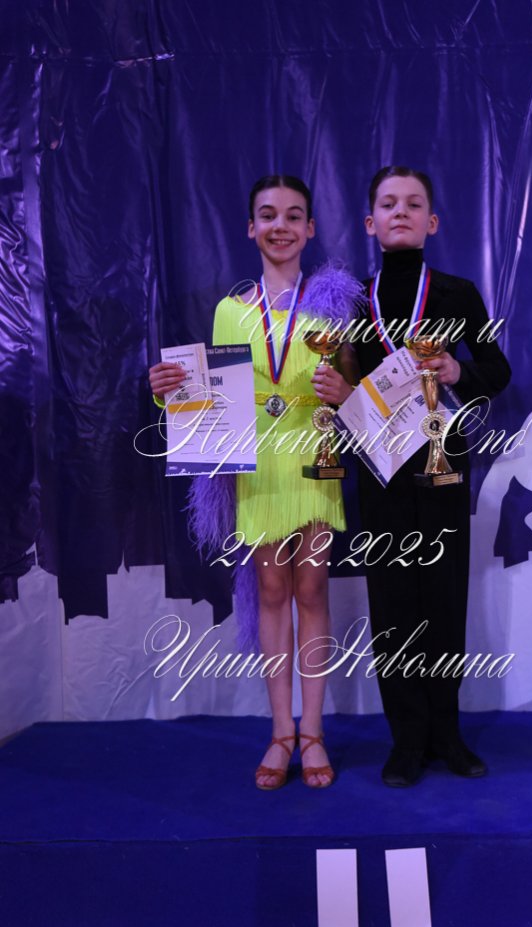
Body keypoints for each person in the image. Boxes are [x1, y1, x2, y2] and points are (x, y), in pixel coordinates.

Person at [314, 165, 511, 786]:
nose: (401, 211)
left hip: (442, 464)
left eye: (413, 203)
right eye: (389, 204)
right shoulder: (353, 302)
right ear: (371, 223)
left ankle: (447, 734)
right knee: (393, 600)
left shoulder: (457, 293)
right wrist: (339, 390)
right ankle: (406, 740)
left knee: (444, 597)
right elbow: (343, 383)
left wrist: (457, 372)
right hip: (381, 468)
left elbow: (498, 369)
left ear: (432, 222)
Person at [150, 175, 347, 790]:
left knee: (311, 588)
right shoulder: (229, 311)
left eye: (293, 215)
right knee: (271, 588)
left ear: (310, 228)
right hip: (257, 464)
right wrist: (168, 394)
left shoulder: (333, 305)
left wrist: (343, 390)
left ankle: (313, 731)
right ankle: (280, 731)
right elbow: (217, 398)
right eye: (268, 215)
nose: (280, 225)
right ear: (251, 228)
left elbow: (354, 390)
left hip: (313, 458)